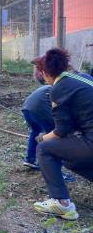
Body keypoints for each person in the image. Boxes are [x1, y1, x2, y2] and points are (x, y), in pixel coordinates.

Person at [33, 48, 93, 220]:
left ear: (45, 73)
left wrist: (42, 138)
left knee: (45, 148)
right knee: (70, 159)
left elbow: (62, 129)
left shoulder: (58, 88)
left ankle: (61, 203)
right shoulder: (84, 77)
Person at [21, 84, 54, 169]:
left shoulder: (49, 86)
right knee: (53, 135)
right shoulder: (61, 88)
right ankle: (48, 165)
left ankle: (30, 159)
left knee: (35, 131)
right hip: (40, 110)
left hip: (26, 108)